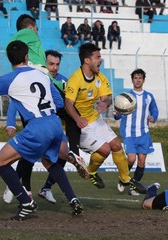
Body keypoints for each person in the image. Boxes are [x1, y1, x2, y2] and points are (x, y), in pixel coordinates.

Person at [0, 40, 83, 221]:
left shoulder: (10, 79)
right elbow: (60, 102)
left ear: (9, 59)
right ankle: (73, 198)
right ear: (26, 57)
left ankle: (26, 202)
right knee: (49, 162)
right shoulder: (42, 74)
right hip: (54, 123)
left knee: (0, 162)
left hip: (37, 126)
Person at [64, 43, 146, 194]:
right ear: (87, 60)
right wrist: (77, 119)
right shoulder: (75, 79)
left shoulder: (100, 77)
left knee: (116, 145)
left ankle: (126, 179)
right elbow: (68, 104)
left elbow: (107, 98)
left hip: (95, 119)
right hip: (80, 125)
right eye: (97, 57)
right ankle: (91, 171)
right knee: (105, 150)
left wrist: (105, 103)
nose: (101, 60)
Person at [114, 69, 159, 195]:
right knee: (131, 159)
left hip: (144, 133)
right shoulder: (125, 96)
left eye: (140, 78)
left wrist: (153, 117)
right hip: (129, 132)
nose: (138, 80)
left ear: (143, 80)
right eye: (135, 78)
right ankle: (123, 179)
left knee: (141, 161)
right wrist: (116, 115)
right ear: (132, 80)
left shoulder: (149, 96)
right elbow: (118, 114)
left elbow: (154, 110)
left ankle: (134, 187)